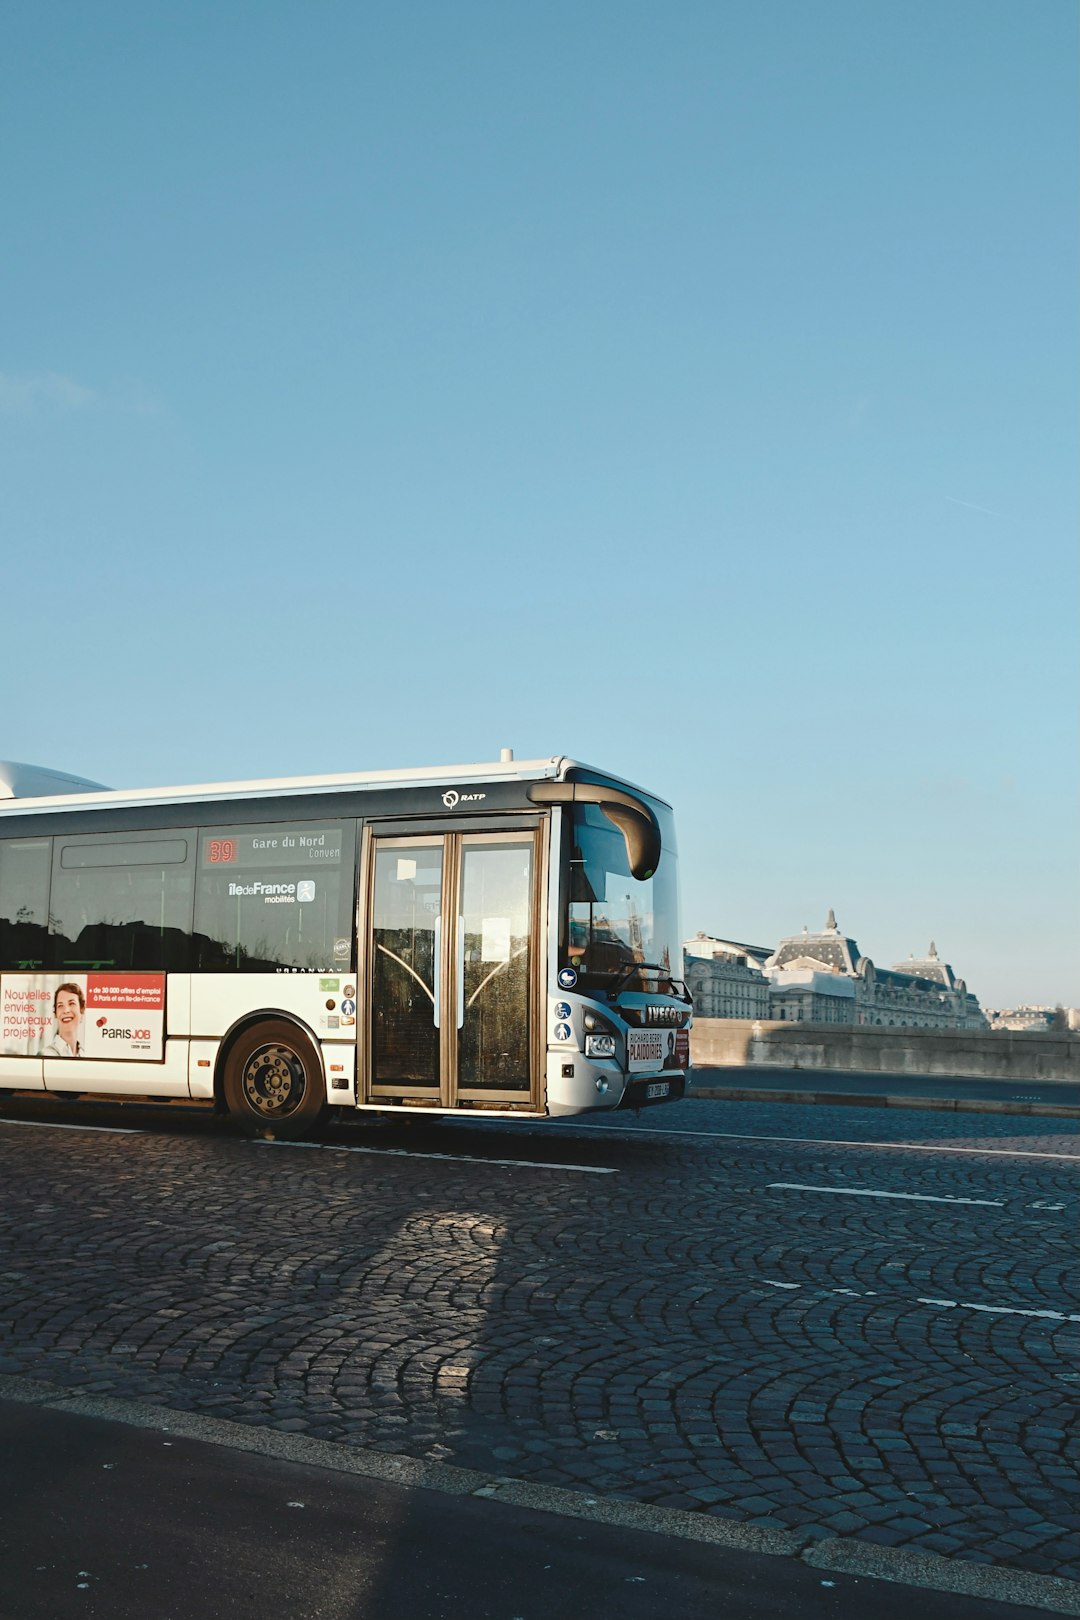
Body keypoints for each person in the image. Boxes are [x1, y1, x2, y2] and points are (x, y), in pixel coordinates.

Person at [44, 982, 84, 1057]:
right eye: (60, 1005)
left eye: (71, 1003)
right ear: (55, 1014)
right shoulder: (46, 1054)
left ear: (81, 1011)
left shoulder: (84, 1054)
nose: (66, 1010)